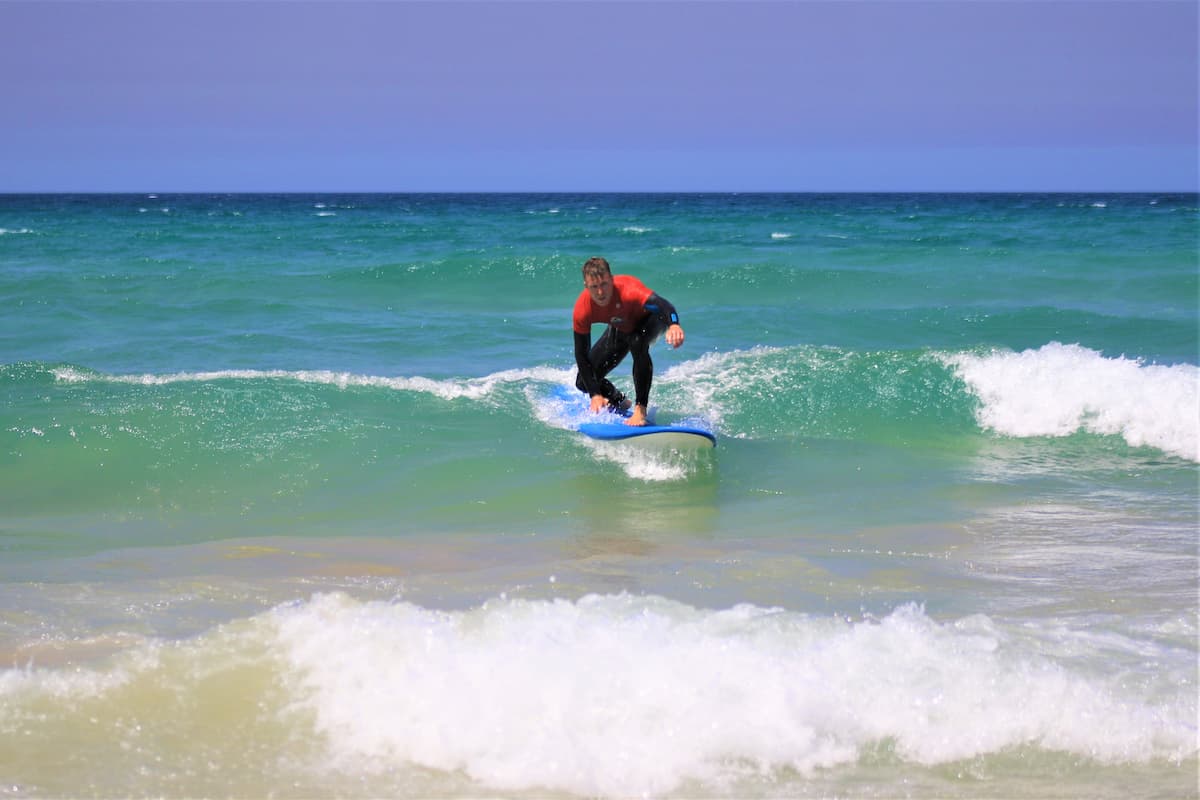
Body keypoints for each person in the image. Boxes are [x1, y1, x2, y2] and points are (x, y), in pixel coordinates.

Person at [572, 256, 685, 426]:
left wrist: (674, 325)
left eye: (604, 284)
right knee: (583, 382)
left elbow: (664, 305)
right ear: (586, 286)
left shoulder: (629, 290)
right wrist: (595, 394)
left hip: (652, 319)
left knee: (637, 340)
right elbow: (581, 354)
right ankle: (619, 400)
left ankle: (641, 410)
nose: (600, 292)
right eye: (594, 287)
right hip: (621, 324)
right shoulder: (583, 308)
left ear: (611, 280)